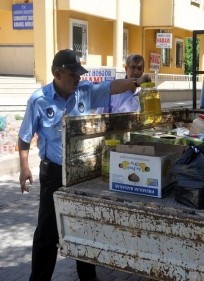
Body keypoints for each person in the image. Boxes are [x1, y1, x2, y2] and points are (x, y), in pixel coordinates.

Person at [18, 49, 147, 281]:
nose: (78, 78)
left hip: (82, 173)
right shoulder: (38, 100)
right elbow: (24, 137)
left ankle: (88, 278)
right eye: (73, 74)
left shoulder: (84, 92)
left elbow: (112, 87)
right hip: (54, 173)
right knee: (47, 232)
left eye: (80, 74)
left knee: (83, 226)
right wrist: (24, 167)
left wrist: (136, 82)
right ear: (58, 73)